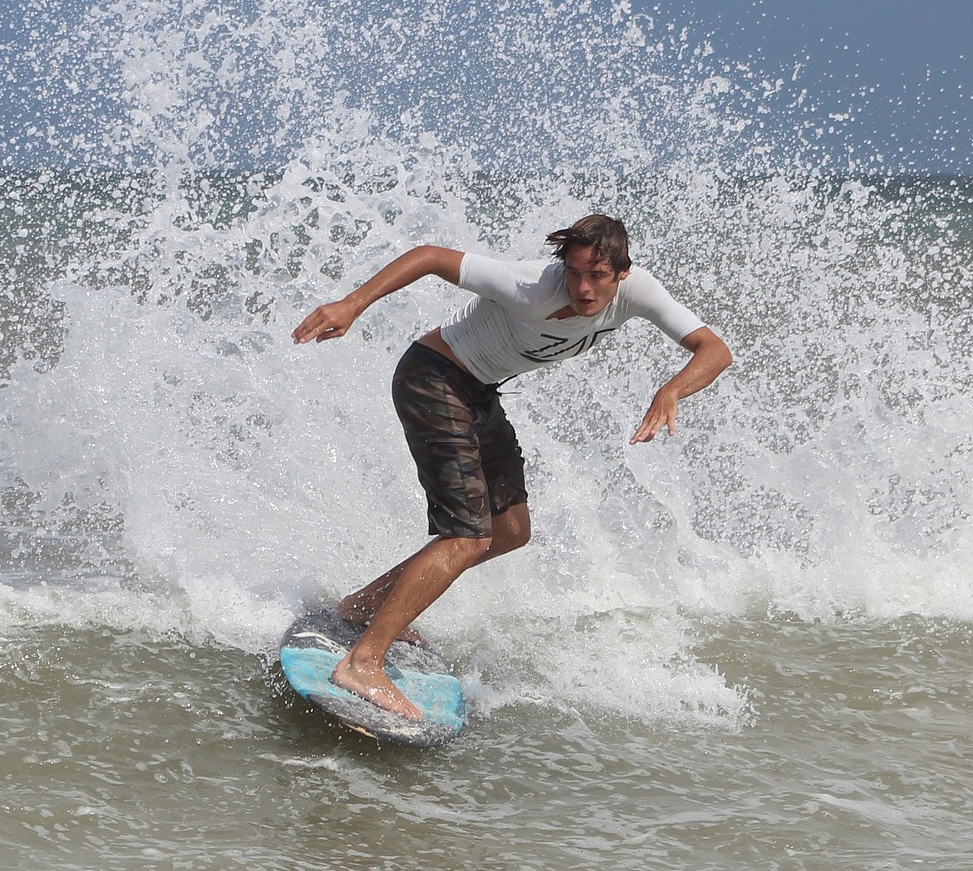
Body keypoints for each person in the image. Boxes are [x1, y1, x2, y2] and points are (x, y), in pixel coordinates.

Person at [290, 214, 732, 720]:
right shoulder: (531, 286)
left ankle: (364, 606)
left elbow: (715, 350)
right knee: (467, 536)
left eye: (598, 276)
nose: (584, 288)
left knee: (510, 529)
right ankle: (363, 662)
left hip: (476, 392)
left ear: (622, 273)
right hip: (433, 378)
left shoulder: (639, 293)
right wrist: (352, 304)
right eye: (574, 273)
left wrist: (672, 388)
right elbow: (431, 256)